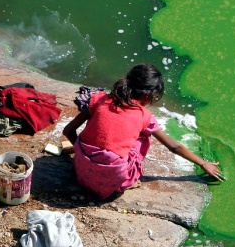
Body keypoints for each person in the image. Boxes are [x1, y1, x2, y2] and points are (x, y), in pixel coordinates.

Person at [63, 63, 224, 200]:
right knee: (144, 134)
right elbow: (174, 146)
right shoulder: (144, 116)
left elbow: (68, 130)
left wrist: (80, 149)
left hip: (82, 173)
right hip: (113, 181)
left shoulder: (100, 99)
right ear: (148, 95)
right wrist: (203, 163)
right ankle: (127, 182)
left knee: (99, 121)